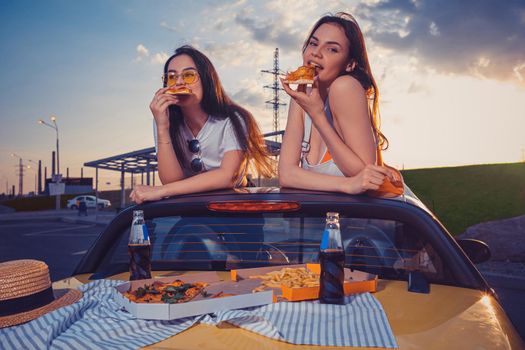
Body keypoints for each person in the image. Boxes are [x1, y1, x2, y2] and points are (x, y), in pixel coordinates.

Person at [130, 45, 273, 204]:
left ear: (206, 79)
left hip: (237, 203)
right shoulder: (163, 117)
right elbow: (171, 181)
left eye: (189, 75)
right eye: (171, 77)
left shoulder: (234, 119)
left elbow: (228, 176)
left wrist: (160, 191)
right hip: (192, 205)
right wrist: (162, 127)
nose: (178, 83)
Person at [279, 12, 396, 195]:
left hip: (358, 220)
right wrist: (345, 185)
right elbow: (286, 175)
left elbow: (366, 176)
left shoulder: (345, 88)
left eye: (332, 49)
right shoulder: (301, 98)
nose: (316, 53)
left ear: (349, 64)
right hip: (322, 220)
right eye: (313, 43)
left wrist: (318, 116)